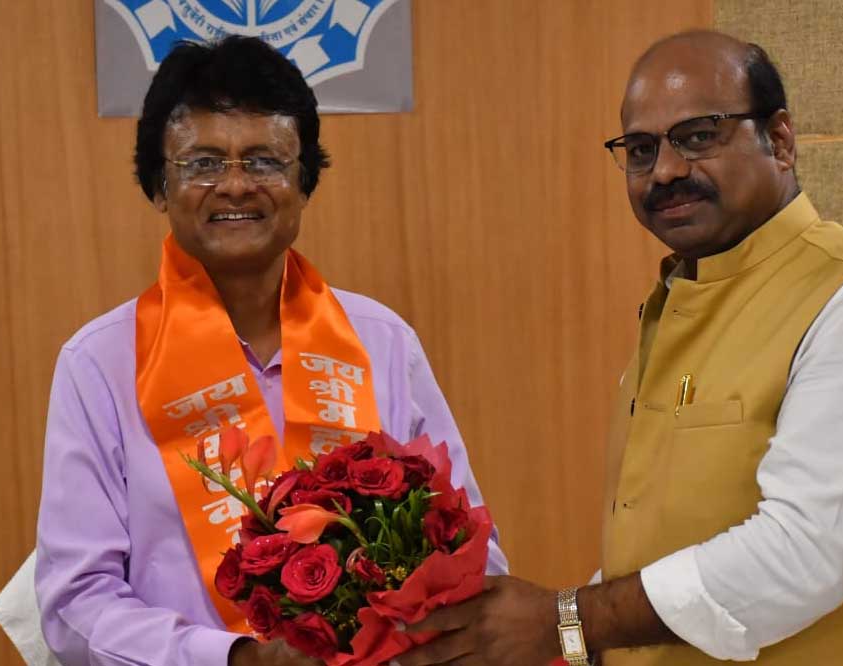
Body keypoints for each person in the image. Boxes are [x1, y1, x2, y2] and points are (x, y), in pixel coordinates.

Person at [394, 30, 843, 666]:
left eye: (698, 136)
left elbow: (801, 553)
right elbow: (664, 549)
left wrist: (565, 620)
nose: (665, 171)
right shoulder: (677, 300)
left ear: (780, 140)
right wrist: (567, 641)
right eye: (641, 149)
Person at [34, 36, 508, 666]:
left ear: (304, 183)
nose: (235, 186)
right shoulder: (100, 363)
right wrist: (236, 658)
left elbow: (472, 547)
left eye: (264, 161)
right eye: (203, 163)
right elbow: (76, 603)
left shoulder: (382, 340)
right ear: (158, 187)